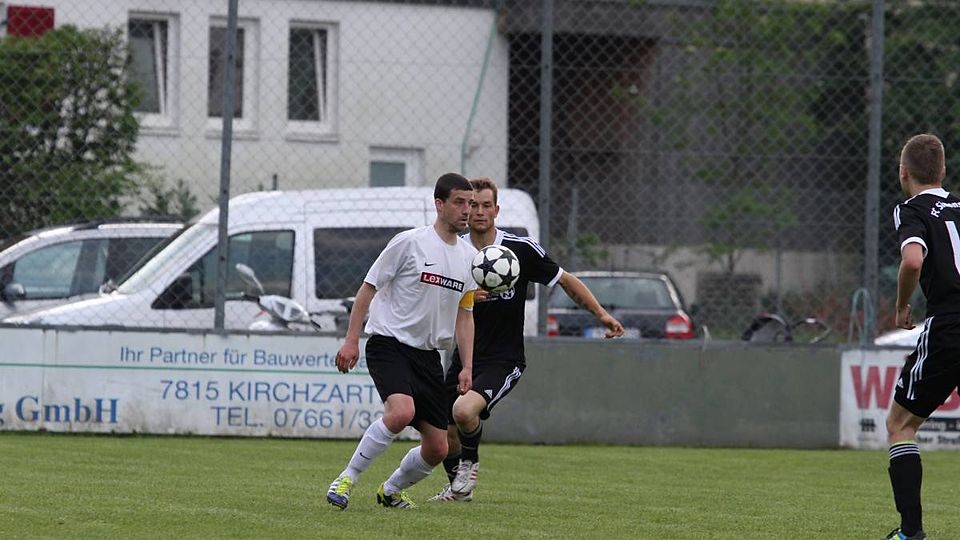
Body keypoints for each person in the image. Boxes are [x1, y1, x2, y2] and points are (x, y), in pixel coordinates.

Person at [425, 177, 625, 502]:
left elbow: (565, 280)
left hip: (503, 359)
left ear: (496, 210)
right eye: (473, 205)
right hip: (465, 356)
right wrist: (466, 297)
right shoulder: (455, 251)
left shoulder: (520, 250)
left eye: (486, 205)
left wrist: (601, 314)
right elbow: (436, 298)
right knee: (446, 432)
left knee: (463, 411)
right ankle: (459, 491)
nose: (479, 211)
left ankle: (470, 466)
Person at [325, 173, 478, 510]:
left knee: (438, 448)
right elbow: (368, 288)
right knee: (400, 412)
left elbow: (465, 315)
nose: (467, 210)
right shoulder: (409, 242)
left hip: (428, 356)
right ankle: (346, 478)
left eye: (470, 203)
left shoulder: (469, 258)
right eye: (459, 202)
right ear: (439, 204)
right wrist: (351, 340)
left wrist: (467, 365)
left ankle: (391, 490)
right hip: (389, 343)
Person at [884, 133, 959, 540]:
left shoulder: (911, 210)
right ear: (943, 170)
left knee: (900, 424)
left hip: (949, 325)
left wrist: (901, 306)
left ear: (903, 173)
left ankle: (910, 533)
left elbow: (913, 260)